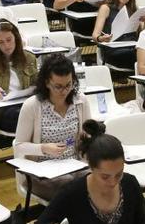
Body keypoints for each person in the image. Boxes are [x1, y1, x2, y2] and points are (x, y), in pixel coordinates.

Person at [15, 54, 93, 198]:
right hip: (41, 170)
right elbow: (19, 146)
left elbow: (88, 137)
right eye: (57, 86)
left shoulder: (80, 101)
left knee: (97, 179)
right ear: (46, 83)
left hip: (75, 164)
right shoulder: (32, 105)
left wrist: (88, 141)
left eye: (68, 85)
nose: (64, 91)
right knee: (69, 185)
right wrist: (43, 148)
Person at [93, 0, 145, 70]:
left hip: (131, 47)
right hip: (114, 50)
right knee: (143, 54)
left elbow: (142, 35)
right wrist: (101, 38)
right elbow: (95, 35)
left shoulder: (133, 10)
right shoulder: (106, 8)